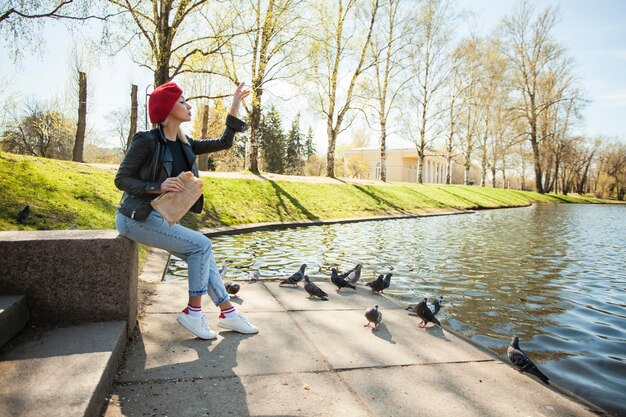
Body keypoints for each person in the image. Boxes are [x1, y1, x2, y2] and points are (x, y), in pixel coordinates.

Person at [114, 81, 257, 339]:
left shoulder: (184, 143)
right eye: (182, 102)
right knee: (202, 245)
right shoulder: (146, 141)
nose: (188, 106)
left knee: (202, 255)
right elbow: (121, 179)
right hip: (134, 218)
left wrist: (235, 105)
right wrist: (156, 186)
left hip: (160, 218)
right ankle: (193, 312)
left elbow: (225, 142)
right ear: (168, 109)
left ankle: (228, 313)